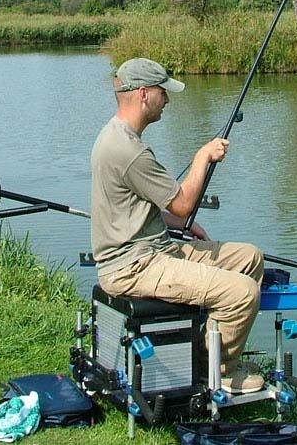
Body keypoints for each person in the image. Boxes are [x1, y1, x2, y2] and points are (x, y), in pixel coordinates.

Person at [90, 57, 266, 394]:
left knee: (250, 257)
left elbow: (133, 208)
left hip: (154, 248)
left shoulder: (117, 136)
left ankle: (212, 350)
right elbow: (183, 202)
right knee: (242, 293)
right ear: (143, 94)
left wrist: (177, 222)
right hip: (133, 266)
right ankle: (215, 371)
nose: (167, 100)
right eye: (163, 92)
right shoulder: (127, 150)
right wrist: (203, 157)